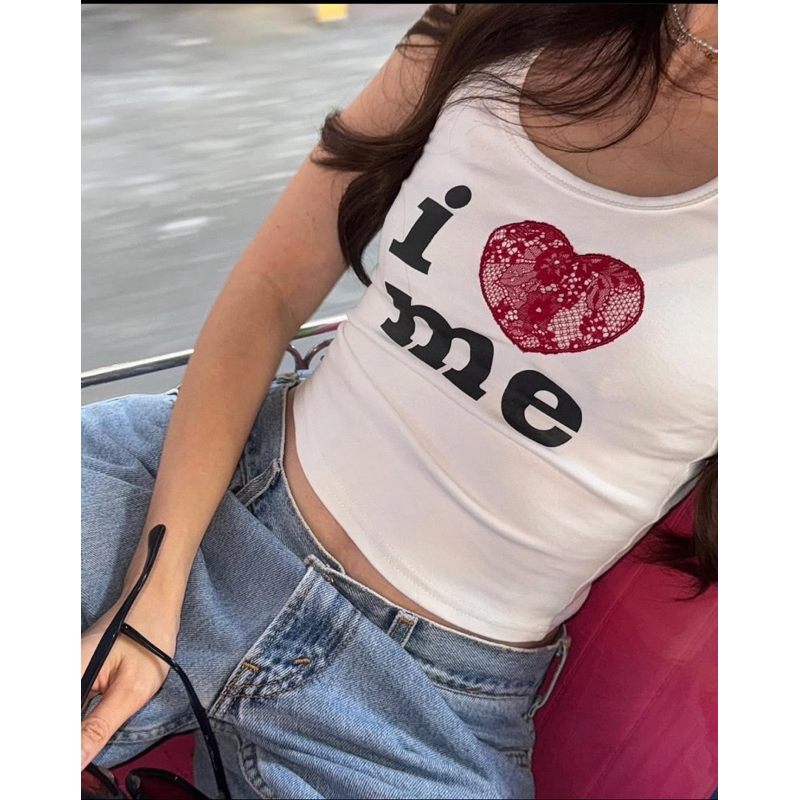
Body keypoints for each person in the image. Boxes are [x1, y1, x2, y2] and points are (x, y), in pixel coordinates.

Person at [81, 4, 717, 798]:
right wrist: (155, 581)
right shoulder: (503, 18)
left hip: (425, 705)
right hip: (204, 499)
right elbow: (273, 288)